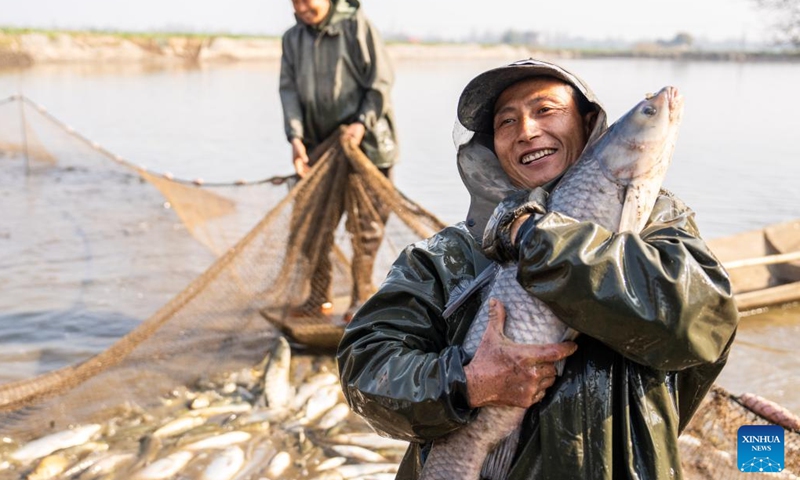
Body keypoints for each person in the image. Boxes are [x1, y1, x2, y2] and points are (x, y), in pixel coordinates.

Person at [337, 58, 740, 479]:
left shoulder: (656, 225)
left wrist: (535, 237)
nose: (527, 131)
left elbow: (703, 325)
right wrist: (467, 381)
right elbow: (365, 368)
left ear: (588, 124)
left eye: (546, 110)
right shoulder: (443, 256)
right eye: (506, 122)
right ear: (490, 146)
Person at [279, 0, 398, 318]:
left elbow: (380, 81)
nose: (302, 7)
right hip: (319, 147)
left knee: (366, 228)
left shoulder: (356, 25)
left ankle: (361, 298)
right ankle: (318, 297)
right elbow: (288, 91)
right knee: (310, 223)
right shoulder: (293, 38)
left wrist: (361, 123)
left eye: (309, 0)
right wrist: (295, 137)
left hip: (367, 145)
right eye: (295, 1)